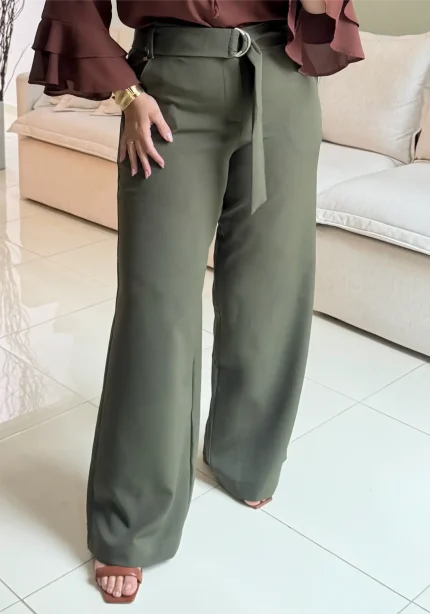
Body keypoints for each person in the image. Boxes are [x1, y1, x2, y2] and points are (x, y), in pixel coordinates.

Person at [30, 0, 363, 604]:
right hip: (169, 90)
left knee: (272, 292)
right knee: (156, 310)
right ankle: (132, 517)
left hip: (282, 81)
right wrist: (127, 94)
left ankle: (246, 457)